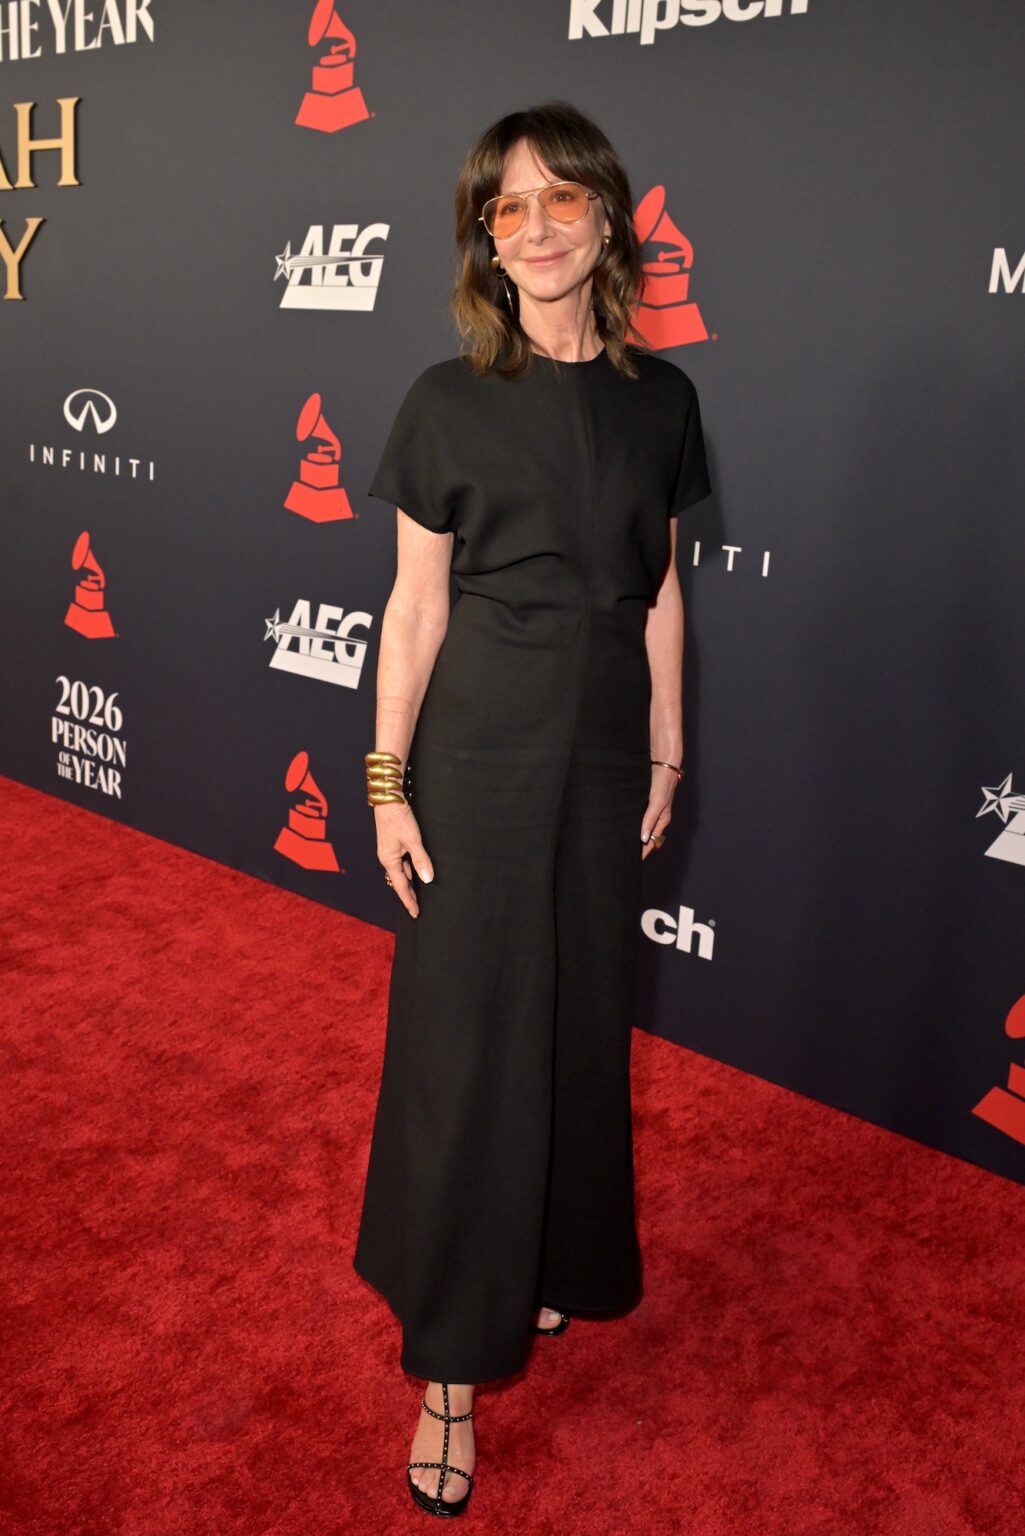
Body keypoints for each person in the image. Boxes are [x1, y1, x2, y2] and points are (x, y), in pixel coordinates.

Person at [353, 100, 712, 1517]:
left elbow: (661, 586)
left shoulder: (661, 400)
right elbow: (412, 606)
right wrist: (384, 785)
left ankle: (554, 1263)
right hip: (481, 758)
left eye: (560, 199)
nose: (537, 228)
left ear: (607, 217)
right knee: (467, 1044)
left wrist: (671, 749)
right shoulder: (445, 399)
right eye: (506, 208)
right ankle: (448, 1362)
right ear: (483, 241)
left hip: (606, 755)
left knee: (574, 1022)